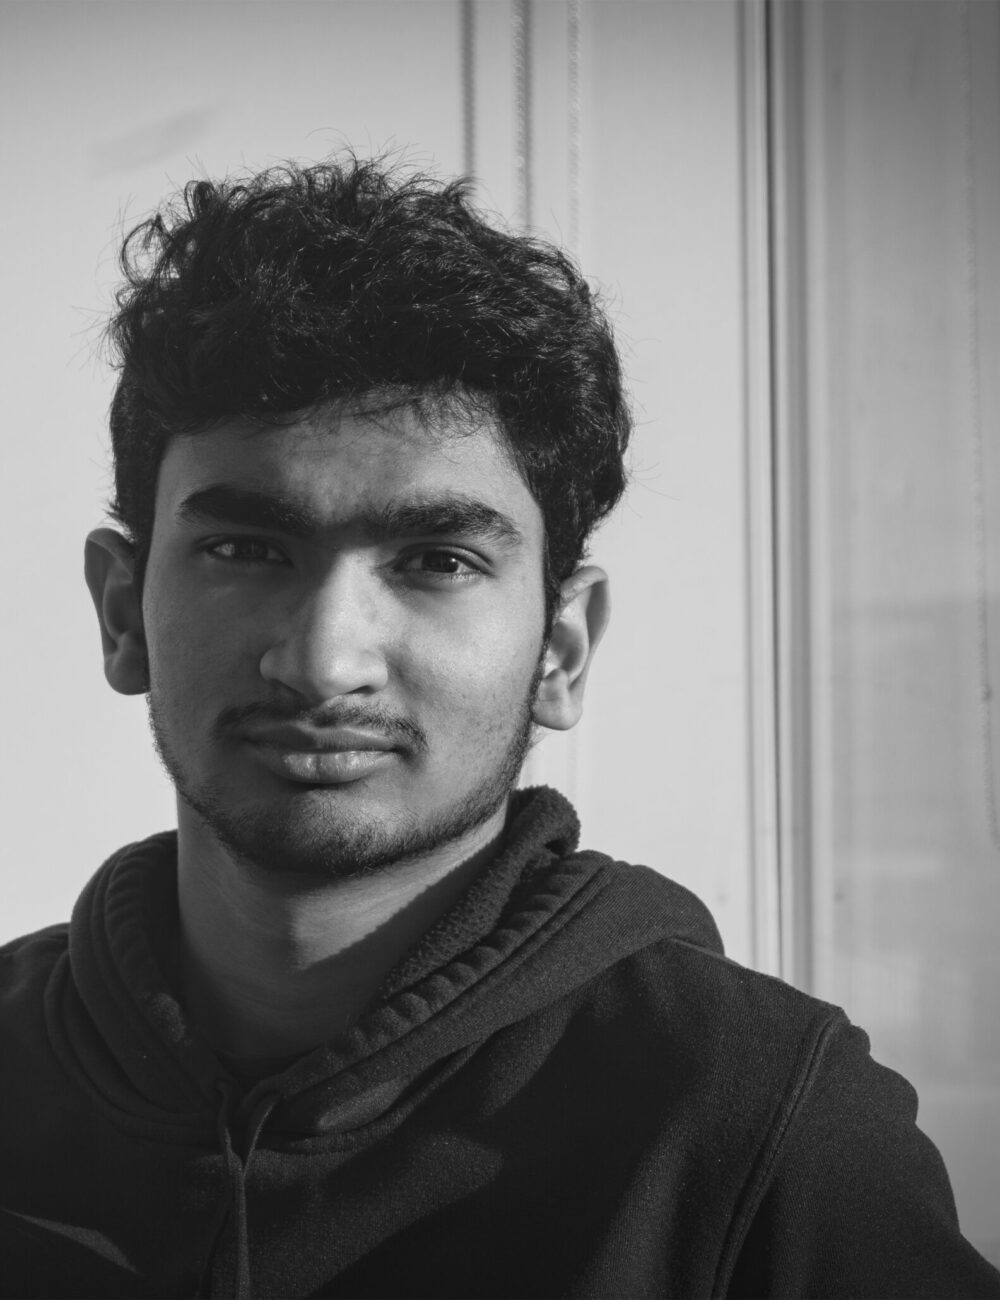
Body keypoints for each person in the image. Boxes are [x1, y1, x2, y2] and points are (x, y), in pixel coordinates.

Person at [0, 156, 997, 1300]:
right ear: (123, 612)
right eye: (244, 549)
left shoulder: (759, 1128)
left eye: (436, 560)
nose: (324, 659)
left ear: (560, 648)